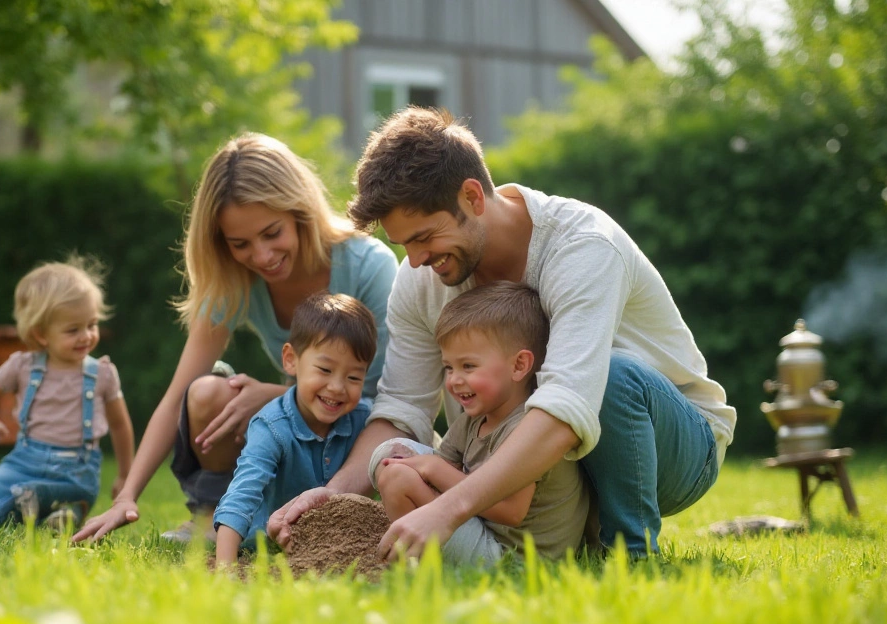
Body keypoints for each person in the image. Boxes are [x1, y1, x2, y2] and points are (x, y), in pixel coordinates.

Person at [268, 107, 736, 558]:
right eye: (404, 243)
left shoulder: (583, 248)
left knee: (609, 375)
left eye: (425, 237)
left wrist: (448, 509)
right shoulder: (420, 279)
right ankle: (567, 542)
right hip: (552, 480)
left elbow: (566, 409)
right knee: (392, 452)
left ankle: (629, 554)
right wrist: (332, 495)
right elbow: (403, 407)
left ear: (472, 197)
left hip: (672, 452)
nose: (414, 260)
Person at [71, 134, 398, 543]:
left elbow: (390, 398)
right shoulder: (233, 278)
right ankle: (212, 517)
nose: (261, 256)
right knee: (207, 394)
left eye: (272, 233)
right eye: (240, 244)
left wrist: (277, 395)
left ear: (299, 211)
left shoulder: (370, 266)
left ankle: (332, 512)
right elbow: (178, 396)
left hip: (365, 431)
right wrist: (128, 494)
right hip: (306, 420)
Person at [372, 281, 592, 564]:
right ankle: (413, 553)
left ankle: (411, 563)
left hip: (515, 560)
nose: (453, 380)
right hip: (483, 532)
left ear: (518, 366)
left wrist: (431, 467)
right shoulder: (473, 421)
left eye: (468, 366)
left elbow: (510, 511)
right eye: (448, 367)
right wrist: (419, 465)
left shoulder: (528, 427)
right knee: (391, 452)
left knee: (398, 477)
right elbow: (446, 471)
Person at [0, 256, 134, 532]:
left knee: (23, 494)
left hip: (76, 474)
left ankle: (67, 508)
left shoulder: (102, 374)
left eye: (92, 325)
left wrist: (125, 475)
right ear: (41, 335)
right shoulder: (23, 366)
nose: (86, 336)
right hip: (23, 461)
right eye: (73, 330)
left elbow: (119, 425)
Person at [213, 293, 376, 565]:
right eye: (325, 369)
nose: (337, 387)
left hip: (335, 546)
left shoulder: (364, 420)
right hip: (266, 546)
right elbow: (242, 494)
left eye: (353, 377)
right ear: (291, 359)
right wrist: (224, 566)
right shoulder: (272, 427)